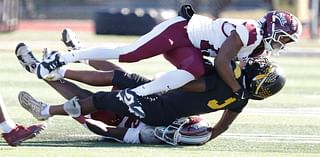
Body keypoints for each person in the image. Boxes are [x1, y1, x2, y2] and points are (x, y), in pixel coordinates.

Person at [35, 7, 301, 119]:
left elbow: (227, 66)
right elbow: (222, 61)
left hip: (192, 49)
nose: (284, 44)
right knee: (127, 53)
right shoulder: (251, 31)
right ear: (274, 28)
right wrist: (236, 89)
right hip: (182, 32)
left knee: (194, 70)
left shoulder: (256, 49)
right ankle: (63, 58)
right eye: (285, 39)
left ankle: (134, 95)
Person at [17, 42, 286, 144]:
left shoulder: (221, 84)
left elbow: (182, 83)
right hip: (163, 101)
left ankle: (46, 110)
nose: (252, 64)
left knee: (100, 100)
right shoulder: (239, 98)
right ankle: (58, 68)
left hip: (158, 106)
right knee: (120, 76)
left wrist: (202, 61)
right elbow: (223, 127)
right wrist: (205, 137)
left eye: (258, 69)